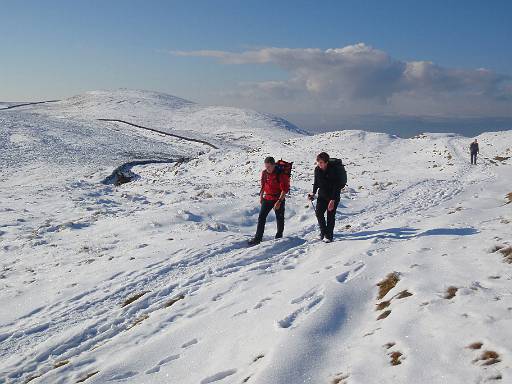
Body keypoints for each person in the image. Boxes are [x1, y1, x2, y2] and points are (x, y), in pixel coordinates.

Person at [248, 156, 290, 246]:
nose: (267, 169)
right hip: (267, 198)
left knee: (279, 218)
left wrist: (279, 201)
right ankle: (257, 238)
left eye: (269, 167)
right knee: (261, 217)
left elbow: (284, 189)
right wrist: (261, 196)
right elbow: (263, 185)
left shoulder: (280, 174)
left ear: (274, 165)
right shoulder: (264, 173)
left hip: (278, 198)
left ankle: (279, 237)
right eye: (266, 166)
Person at [308, 152, 345, 243]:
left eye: (321, 162)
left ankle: (329, 236)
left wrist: (332, 200)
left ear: (326, 162)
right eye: (318, 162)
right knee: (319, 213)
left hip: (333, 196)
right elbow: (316, 182)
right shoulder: (317, 170)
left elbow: (336, 186)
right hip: (322, 196)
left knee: (330, 216)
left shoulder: (333, 170)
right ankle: (323, 232)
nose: (319, 164)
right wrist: (313, 193)